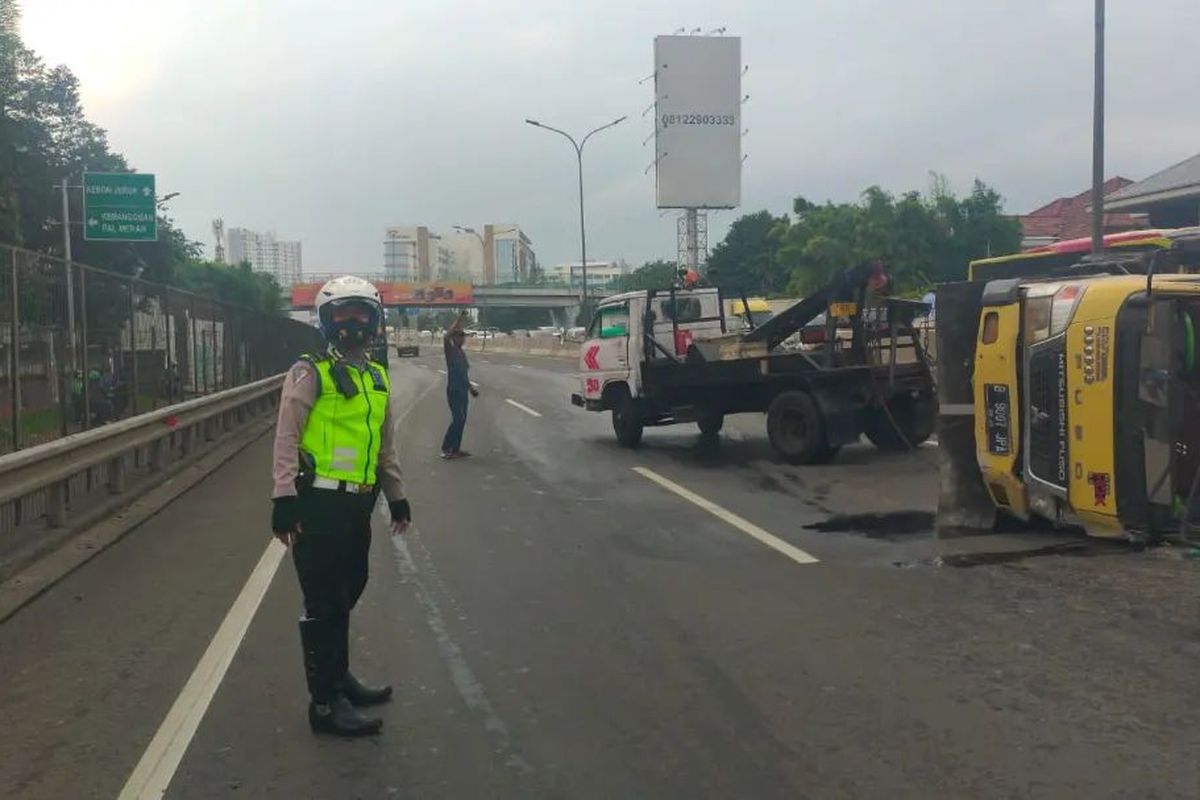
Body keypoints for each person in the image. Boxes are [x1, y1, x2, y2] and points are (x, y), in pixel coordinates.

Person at [270, 276, 412, 737]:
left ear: (374, 320)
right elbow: (286, 436)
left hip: (358, 506)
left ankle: (339, 676)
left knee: (351, 588)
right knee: (324, 601)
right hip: (318, 503)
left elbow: (384, 445)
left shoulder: (376, 375)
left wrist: (397, 496)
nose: (351, 322)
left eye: (360, 313)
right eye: (341, 314)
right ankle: (325, 704)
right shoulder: (310, 371)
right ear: (326, 321)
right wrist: (283, 498)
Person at [441, 311, 479, 458]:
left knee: (462, 420)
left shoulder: (461, 354)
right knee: (458, 419)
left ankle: (455, 449)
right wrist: (459, 319)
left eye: (463, 336)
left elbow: (464, 375)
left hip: (463, 390)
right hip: (454, 390)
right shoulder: (450, 351)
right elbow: (446, 335)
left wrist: (471, 389)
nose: (462, 339)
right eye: (459, 336)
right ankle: (446, 448)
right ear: (454, 338)